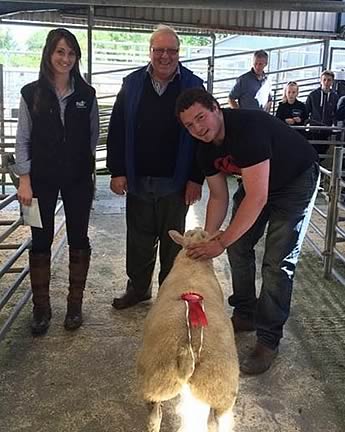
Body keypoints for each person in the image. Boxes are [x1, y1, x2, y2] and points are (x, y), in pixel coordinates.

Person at [176, 88, 319, 375]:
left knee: (277, 262)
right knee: (238, 246)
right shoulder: (204, 147)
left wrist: (222, 241)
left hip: (294, 180)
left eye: (201, 118)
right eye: (189, 125)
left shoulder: (247, 129)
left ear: (216, 108)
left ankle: (268, 339)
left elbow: (256, 199)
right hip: (259, 184)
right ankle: (245, 312)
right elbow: (218, 196)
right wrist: (209, 238)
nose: (198, 128)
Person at [106, 25, 204, 310]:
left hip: (176, 180)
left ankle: (169, 294)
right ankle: (138, 289)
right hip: (138, 178)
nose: (165, 56)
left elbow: (202, 137)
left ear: (178, 53)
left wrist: (196, 178)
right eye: (159, 50)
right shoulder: (133, 83)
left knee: (173, 241)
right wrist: (117, 170)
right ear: (149, 52)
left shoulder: (193, 85)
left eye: (171, 50)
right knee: (138, 240)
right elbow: (117, 128)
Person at [15, 28, 99, 335]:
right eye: (60, 52)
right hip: (40, 181)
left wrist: (84, 171)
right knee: (40, 239)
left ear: (76, 58)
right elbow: (22, 140)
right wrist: (25, 179)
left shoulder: (86, 95)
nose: (65, 58)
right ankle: (41, 309)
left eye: (71, 53)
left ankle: (74, 306)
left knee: (78, 238)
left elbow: (92, 139)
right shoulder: (30, 93)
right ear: (49, 54)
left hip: (77, 179)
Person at [305, 70, 339, 157]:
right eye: (324, 79)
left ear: (332, 82)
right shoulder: (313, 95)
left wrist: (334, 127)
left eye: (329, 80)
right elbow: (306, 111)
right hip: (314, 130)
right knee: (312, 152)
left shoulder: (335, 97)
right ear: (321, 80)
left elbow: (336, 113)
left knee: (323, 153)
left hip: (327, 131)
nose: (326, 82)